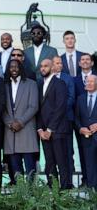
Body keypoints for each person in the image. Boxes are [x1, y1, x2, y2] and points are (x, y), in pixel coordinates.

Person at [37, 59, 72, 189]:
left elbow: (60, 107)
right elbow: (38, 108)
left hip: (58, 130)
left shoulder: (60, 83)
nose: (42, 68)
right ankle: (52, 188)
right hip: (44, 131)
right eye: (41, 66)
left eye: (45, 66)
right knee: (49, 162)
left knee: (61, 161)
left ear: (52, 68)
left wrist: (50, 129)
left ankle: (64, 190)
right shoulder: (39, 84)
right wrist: (40, 129)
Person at [3, 59, 39, 181]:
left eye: (16, 67)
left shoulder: (31, 84)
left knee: (30, 167)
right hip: (10, 130)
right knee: (15, 167)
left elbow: (33, 106)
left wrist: (20, 122)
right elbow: (1, 107)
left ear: (21, 68)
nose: (14, 69)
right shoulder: (4, 85)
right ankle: (19, 193)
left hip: (26, 128)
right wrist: (10, 123)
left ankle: (31, 192)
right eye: (11, 67)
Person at [52, 56, 76, 182]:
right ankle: (54, 183)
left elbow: (71, 97)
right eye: (57, 63)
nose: (60, 65)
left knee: (67, 151)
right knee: (53, 153)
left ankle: (69, 182)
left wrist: (58, 111)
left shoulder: (68, 78)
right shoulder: (47, 79)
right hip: (50, 122)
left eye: (61, 63)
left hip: (66, 119)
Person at [75, 75, 97, 189]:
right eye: (87, 81)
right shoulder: (80, 98)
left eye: (91, 81)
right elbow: (76, 118)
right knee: (89, 166)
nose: (88, 83)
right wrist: (80, 128)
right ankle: (91, 193)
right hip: (86, 139)